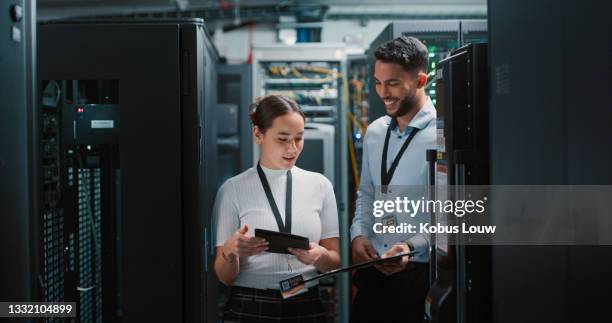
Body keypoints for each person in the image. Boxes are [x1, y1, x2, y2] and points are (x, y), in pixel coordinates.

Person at [213, 95, 341, 323]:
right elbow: (224, 277)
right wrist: (230, 251)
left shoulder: (320, 185)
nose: (292, 148)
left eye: (299, 138)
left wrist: (320, 257)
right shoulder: (233, 189)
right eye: (282, 139)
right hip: (250, 305)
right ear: (257, 135)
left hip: (305, 302)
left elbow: (334, 259)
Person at [350, 36, 436, 323]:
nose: (382, 93)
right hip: (374, 272)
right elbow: (367, 193)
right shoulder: (376, 132)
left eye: (393, 83)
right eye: (377, 82)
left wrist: (412, 247)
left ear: (421, 80)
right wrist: (358, 234)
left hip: (417, 277)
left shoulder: (442, 135)